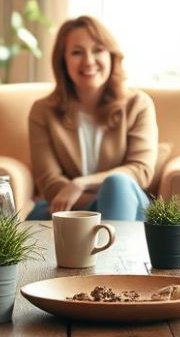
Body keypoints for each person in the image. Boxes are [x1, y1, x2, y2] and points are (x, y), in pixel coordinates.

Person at [27, 16, 158, 221]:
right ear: (63, 61)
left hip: (130, 208)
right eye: (77, 52)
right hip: (72, 210)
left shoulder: (138, 104)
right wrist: (89, 201)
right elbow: (50, 183)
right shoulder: (43, 111)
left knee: (117, 185)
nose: (88, 61)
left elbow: (140, 171)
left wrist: (80, 184)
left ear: (111, 56)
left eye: (98, 50)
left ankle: (110, 253)